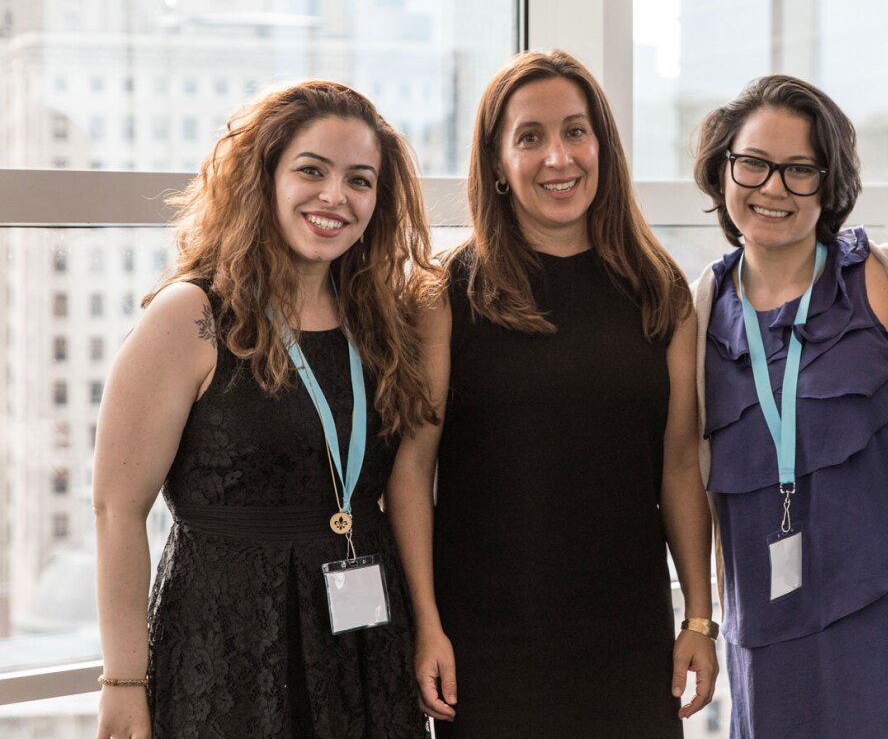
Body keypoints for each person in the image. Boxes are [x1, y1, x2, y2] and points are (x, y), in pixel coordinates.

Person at [388, 49, 717, 738]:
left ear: (603, 145)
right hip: (488, 642)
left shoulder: (661, 293)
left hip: (629, 637)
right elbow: (413, 470)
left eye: (575, 131)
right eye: (529, 137)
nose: (558, 157)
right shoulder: (447, 292)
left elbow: (681, 465)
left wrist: (697, 618)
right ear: (498, 164)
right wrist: (427, 625)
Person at [93, 80, 435, 738]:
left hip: (364, 645)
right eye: (312, 170)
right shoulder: (190, 315)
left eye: (360, 180)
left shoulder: (380, 321)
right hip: (231, 646)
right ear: (264, 176)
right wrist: (124, 681)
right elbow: (116, 506)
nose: (336, 196)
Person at [690, 74, 888, 738]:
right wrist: (699, 620)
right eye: (754, 165)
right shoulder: (696, 310)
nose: (773, 188)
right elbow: (680, 470)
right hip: (770, 641)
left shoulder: (885, 278)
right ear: (722, 168)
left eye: (801, 171)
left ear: (831, 184)